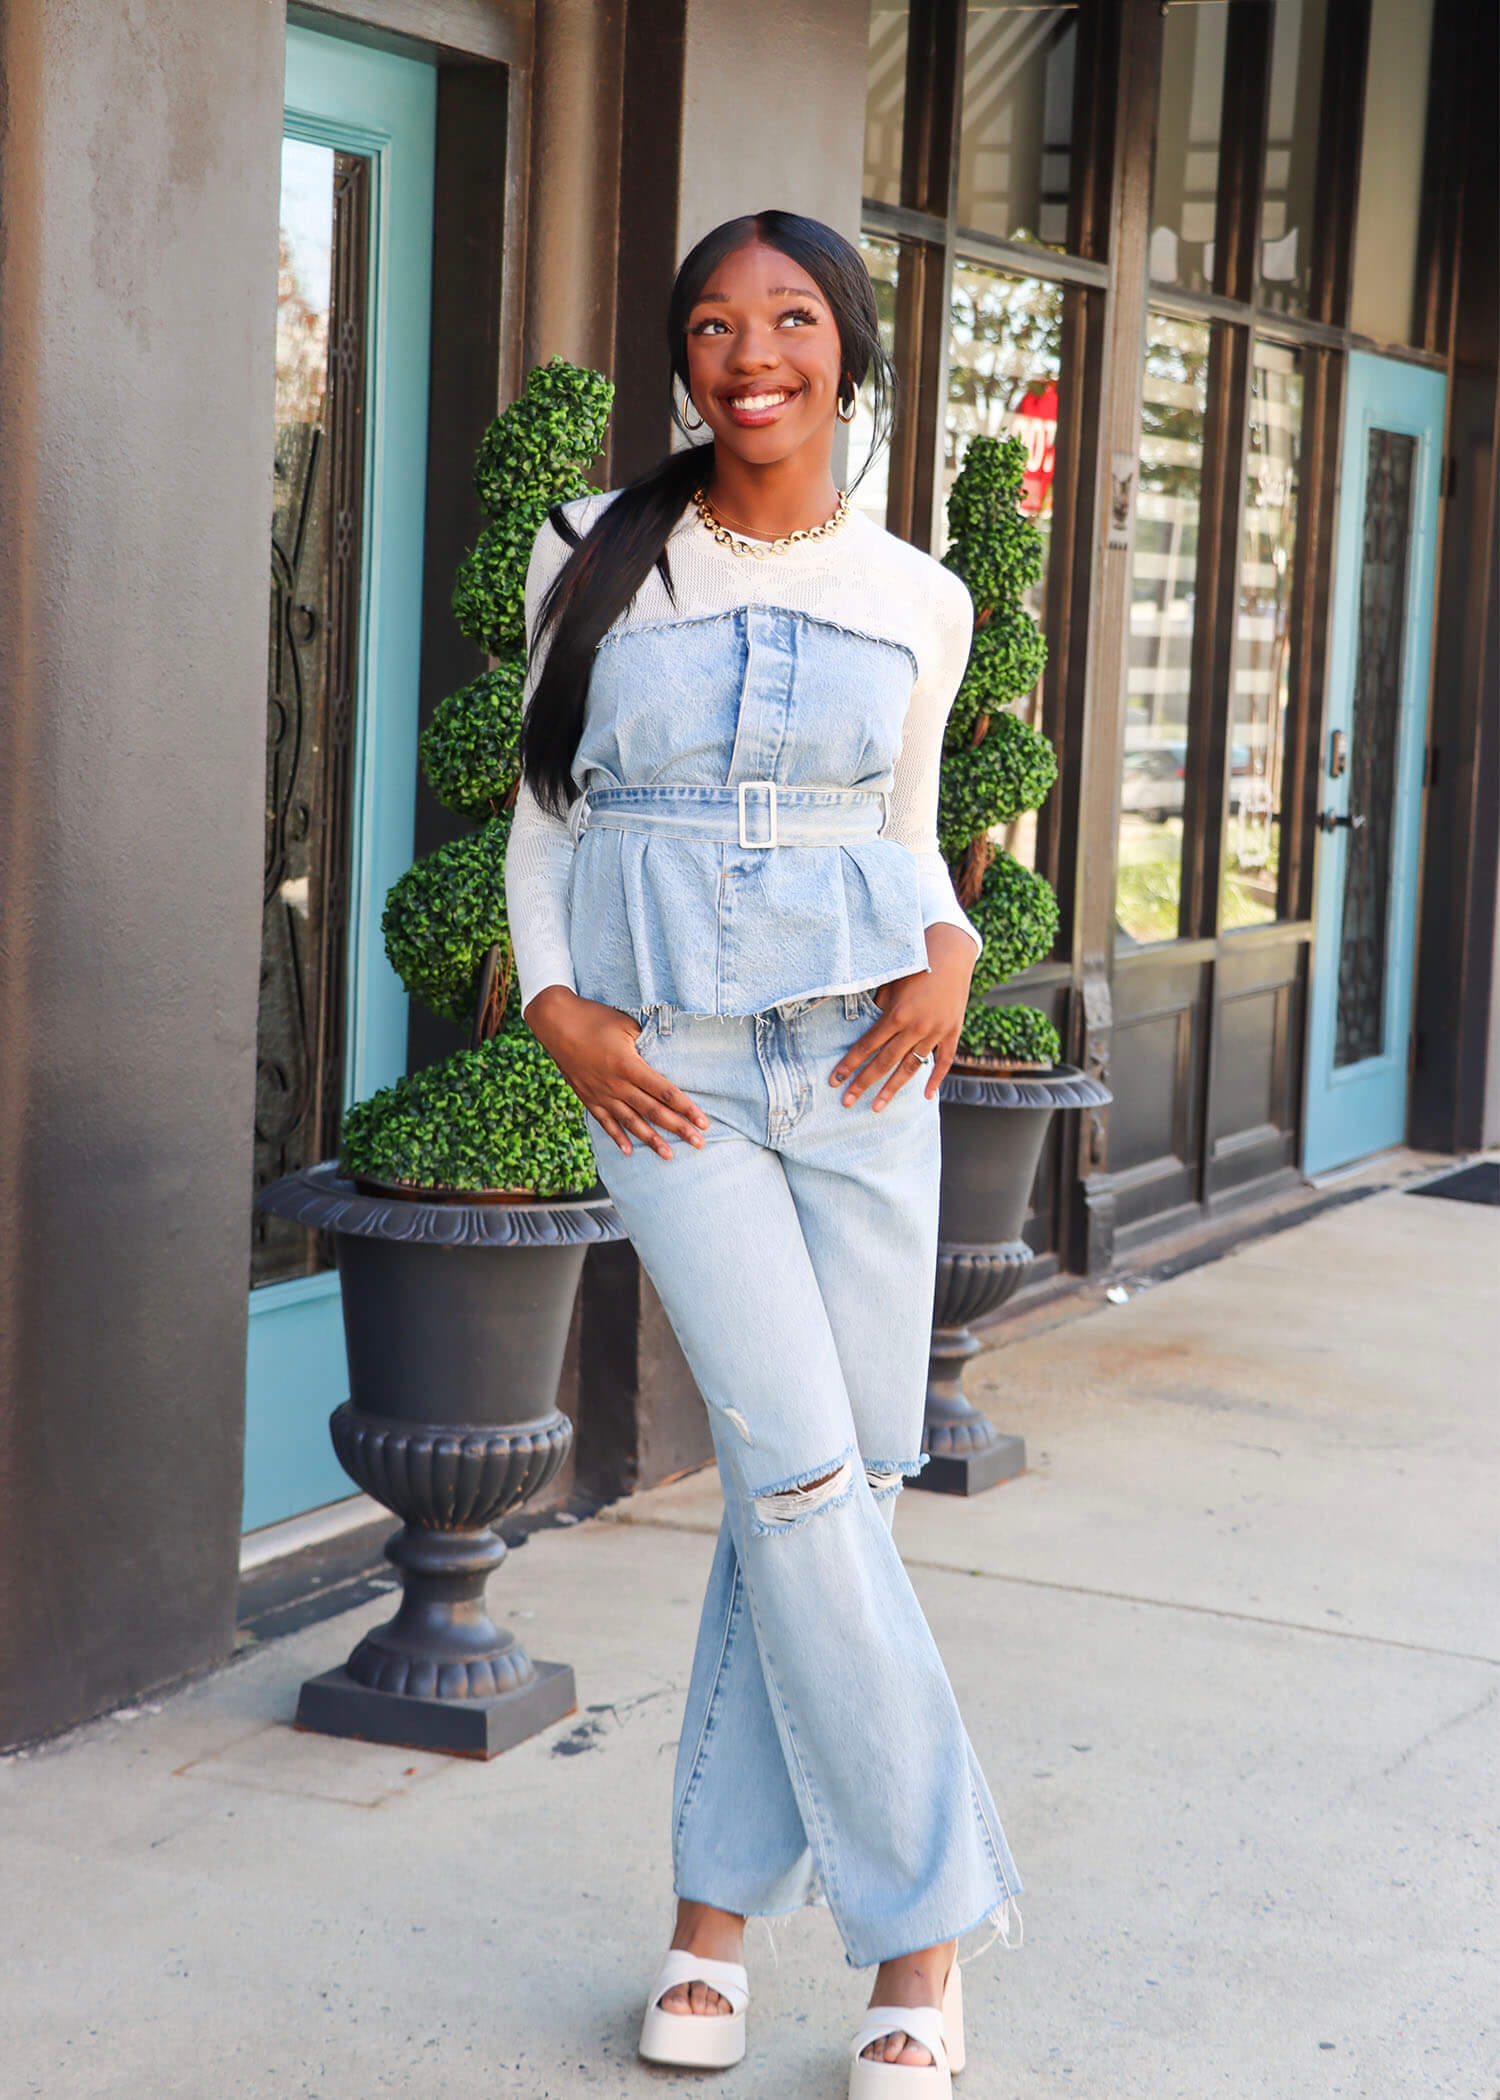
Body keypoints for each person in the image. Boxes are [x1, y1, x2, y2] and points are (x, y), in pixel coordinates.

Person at [505, 209, 1023, 2100]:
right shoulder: (598, 553)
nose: (752, 356)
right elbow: (546, 819)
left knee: (826, 1492)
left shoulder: (922, 593)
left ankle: (710, 1931)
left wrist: (957, 965)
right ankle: (925, 1936)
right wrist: (559, 1013)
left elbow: (911, 830)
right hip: (677, 1080)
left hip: (872, 1065)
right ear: (682, 358)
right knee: (808, 1478)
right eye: (716, 325)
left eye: (792, 321)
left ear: (850, 354)